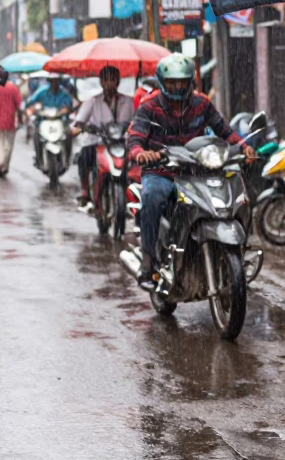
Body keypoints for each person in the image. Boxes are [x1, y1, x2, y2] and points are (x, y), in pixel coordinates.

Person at [127, 53, 255, 286]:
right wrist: (141, 154)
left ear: (190, 82)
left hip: (197, 171)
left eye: (182, 81)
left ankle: (237, 249)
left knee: (237, 193)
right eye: (172, 82)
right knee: (152, 197)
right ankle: (148, 259)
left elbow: (224, 131)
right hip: (161, 171)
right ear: (162, 82)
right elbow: (134, 138)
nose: (177, 86)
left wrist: (244, 146)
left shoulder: (202, 103)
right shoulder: (149, 106)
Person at [71, 66, 134, 207]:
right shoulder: (93, 101)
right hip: (98, 142)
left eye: (113, 80)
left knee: (138, 163)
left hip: (122, 143)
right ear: (101, 82)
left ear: (118, 82)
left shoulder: (129, 102)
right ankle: (85, 191)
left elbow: (139, 120)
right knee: (84, 156)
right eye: (106, 80)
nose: (109, 84)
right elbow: (78, 122)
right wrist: (80, 128)